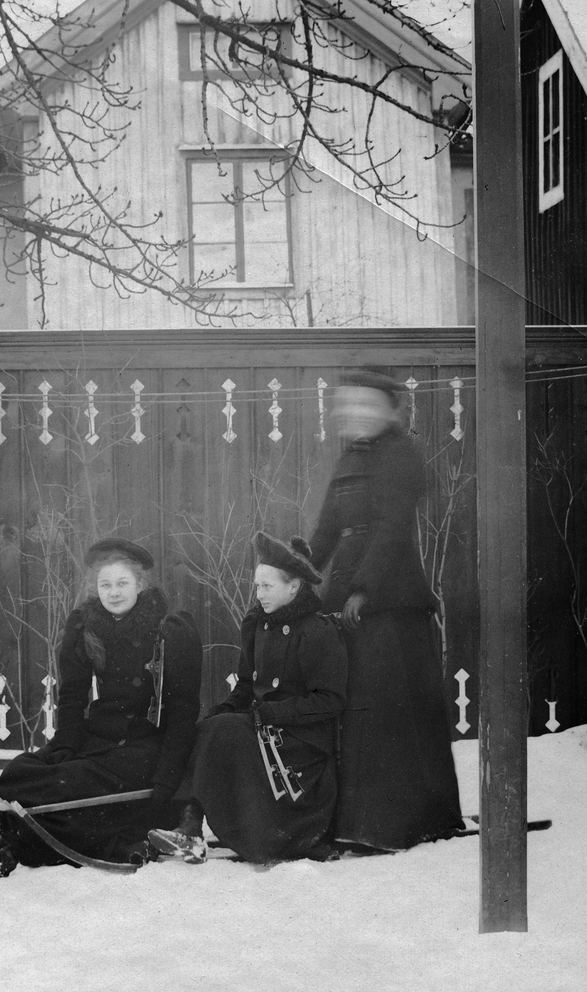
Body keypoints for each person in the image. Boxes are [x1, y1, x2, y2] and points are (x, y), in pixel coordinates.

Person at [0, 538, 202, 877]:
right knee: (22, 772)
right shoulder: (86, 626)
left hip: (145, 747)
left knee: (69, 787)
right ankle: (13, 835)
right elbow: (73, 694)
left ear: (140, 584)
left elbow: (183, 713)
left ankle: (11, 848)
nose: (113, 593)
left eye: (122, 583)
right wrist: (66, 744)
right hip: (100, 735)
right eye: (106, 585)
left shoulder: (169, 630)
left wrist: (167, 781)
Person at [306, 369, 464, 852]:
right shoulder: (350, 458)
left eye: (367, 404)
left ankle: (399, 822)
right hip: (351, 595)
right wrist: (298, 573)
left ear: (391, 411)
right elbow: (327, 529)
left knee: (391, 712)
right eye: (347, 404)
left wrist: (363, 591)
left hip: (391, 603)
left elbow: (392, 527)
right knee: (355, 710)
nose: (355, 413)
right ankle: (357, 820)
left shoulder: (400, 455)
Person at [148, 532, 347, 865]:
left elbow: (330, 700)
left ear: (294, 587)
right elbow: (246, 686)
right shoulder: (258, 625)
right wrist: (224, 709)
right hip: (266, 729)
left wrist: (271, 713)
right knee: (211, 726)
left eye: (267, 586)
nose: (259, 594)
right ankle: (189, 827)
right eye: (257, 586)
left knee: (223, 730)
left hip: (302, 745)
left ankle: (193, 829)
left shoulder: (316, 631)